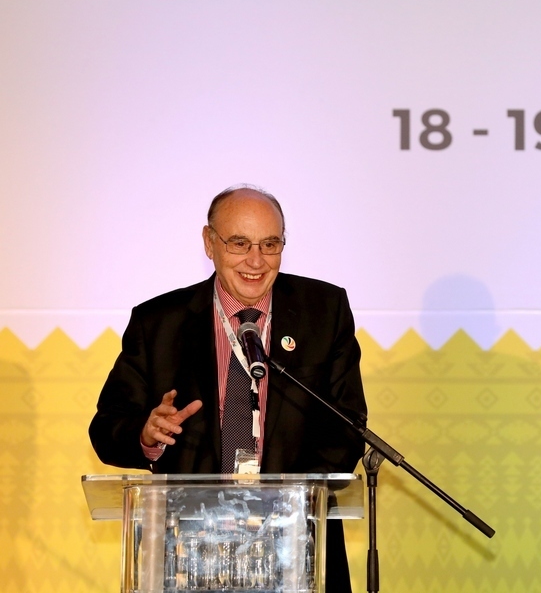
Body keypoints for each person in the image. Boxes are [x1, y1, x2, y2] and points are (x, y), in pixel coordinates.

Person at [89, 185, 367, 593]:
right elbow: (107, 427)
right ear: (209, 242)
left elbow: (347, 426)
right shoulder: (159, 322)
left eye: (270, 244)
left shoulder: (324, 310)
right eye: (239, 243)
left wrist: (281, 503)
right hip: (187, 553)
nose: (256, 260)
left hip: (298, 548)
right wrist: (146, 435)